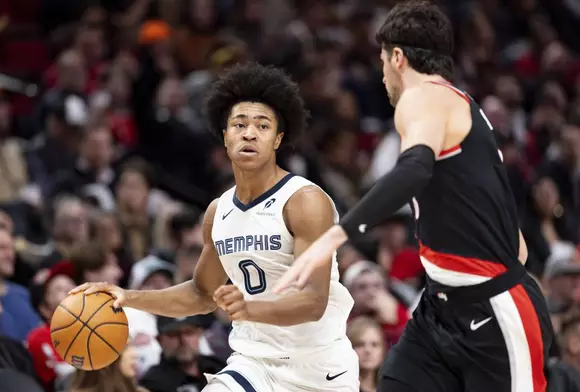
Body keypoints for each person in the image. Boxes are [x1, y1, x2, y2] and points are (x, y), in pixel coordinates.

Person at [273, 2, 554, 392]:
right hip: (442, 307)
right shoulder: (456, 108)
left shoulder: (422, 97)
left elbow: (414, 169)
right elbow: (512, 238)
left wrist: (336, 236)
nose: (382, 72)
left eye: (383, 59)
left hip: (493, 311)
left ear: (398, 57)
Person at [71, 62, 358, 392]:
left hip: (318, 369)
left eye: (262, 126)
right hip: (253, 363)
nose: (249, 133)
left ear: (278, 138)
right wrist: (128, 296)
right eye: (239, 124)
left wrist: (249, 307)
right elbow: (200, 294)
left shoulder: (305, 201)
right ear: (225, 136)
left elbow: (313, 300)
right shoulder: (218, 211)